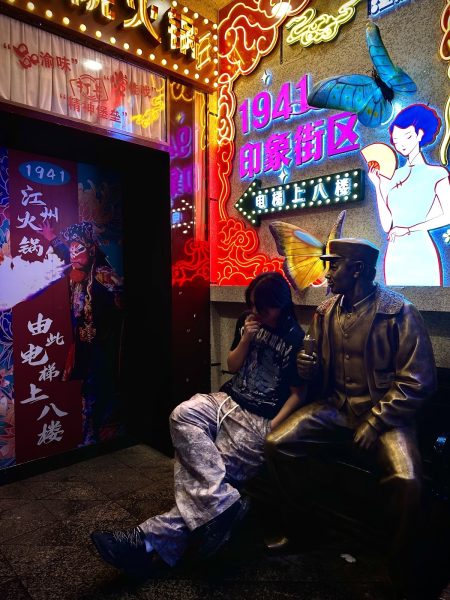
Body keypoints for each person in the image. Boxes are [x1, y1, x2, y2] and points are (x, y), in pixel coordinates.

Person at [90, 272, 306, 577]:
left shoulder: (295, 338)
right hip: (227, 400)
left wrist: (273, 430)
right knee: (182, 414)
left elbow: (299, 394)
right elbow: (232, 366)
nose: (256, 313)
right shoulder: (248, 320)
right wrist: (246, 336)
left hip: (259, 417)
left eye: (263, 309)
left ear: (281, 306)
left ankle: (144, 542)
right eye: (252, 306)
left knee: (213, 470)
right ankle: (225, 504)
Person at [265, 238, 437, 600]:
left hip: (387, 416)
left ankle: (401, 562)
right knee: (277, 444)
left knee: (407, 480)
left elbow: (417, 382)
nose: (327, 274)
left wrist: (376, 422)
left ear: (357, 269)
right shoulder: (325, 310)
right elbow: (313, 362)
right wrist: (305, 367)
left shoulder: (400, 312)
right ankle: (303, 528)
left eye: (333, 265)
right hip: (337, 407)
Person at [42, 220, 124, 444]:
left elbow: (122, 297)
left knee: (100, 387)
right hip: (84, 344)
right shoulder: (78, 273)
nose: (74, 255)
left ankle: (100, 435)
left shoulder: (103, 274)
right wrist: (51, 238)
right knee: (87, 388)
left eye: (79, 250)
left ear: (91, 251)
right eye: (72, 250)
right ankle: (90, 434)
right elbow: (63, 254)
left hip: (103, 343)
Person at [367, 103, 450, 285]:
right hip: (395, 252)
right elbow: (388, 225)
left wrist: (410, 229)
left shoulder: (437, 173)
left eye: (407, 137)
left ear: (420, 134)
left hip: (420, 249)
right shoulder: (393, 176)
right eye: (397, 141)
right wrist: (378, 186)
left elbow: (448, 215)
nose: (402, 144)